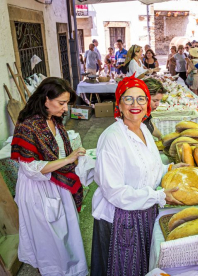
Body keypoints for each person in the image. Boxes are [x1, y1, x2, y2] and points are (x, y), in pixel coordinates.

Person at [90, 75, 187, 275]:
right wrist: (159, 196)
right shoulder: (112, 138)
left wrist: (171, 169)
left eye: (141, 99)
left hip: (143, 211)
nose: (136, 104)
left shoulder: (144, 129)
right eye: (129, 99)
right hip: (120, 218)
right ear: (119, 103)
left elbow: (151, 167)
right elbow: (115, 192)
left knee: (140, 265)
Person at [11, 77, 88, 276]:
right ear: (46, 100)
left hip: (57, 185)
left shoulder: (53, 120)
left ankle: (70, 270)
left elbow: (60, 151)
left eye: (66, 104)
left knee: (65, 234)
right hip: (38, 190)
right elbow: (32, 169)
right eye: (61, 103)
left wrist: (73, 159)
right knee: (48, 241)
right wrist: (68, 160)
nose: (65, 109)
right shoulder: (27, 127)